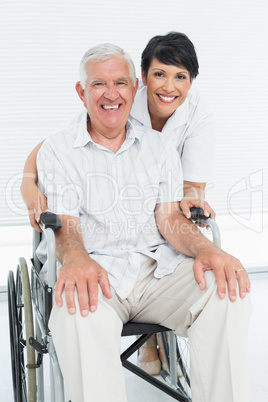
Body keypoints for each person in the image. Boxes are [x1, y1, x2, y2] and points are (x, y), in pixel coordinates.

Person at [33, 42, 251, 402]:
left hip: (157, 270)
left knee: (227, 290)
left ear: (134, 89)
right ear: (81, 92)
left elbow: (168, 218)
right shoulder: (58, 149)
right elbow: (65, 223)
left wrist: (208, 249)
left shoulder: (159, 147)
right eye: (98, 84)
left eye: (120, 82)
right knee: (75, 311)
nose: (110, 93)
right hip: (97, 269)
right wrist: (74, 257)